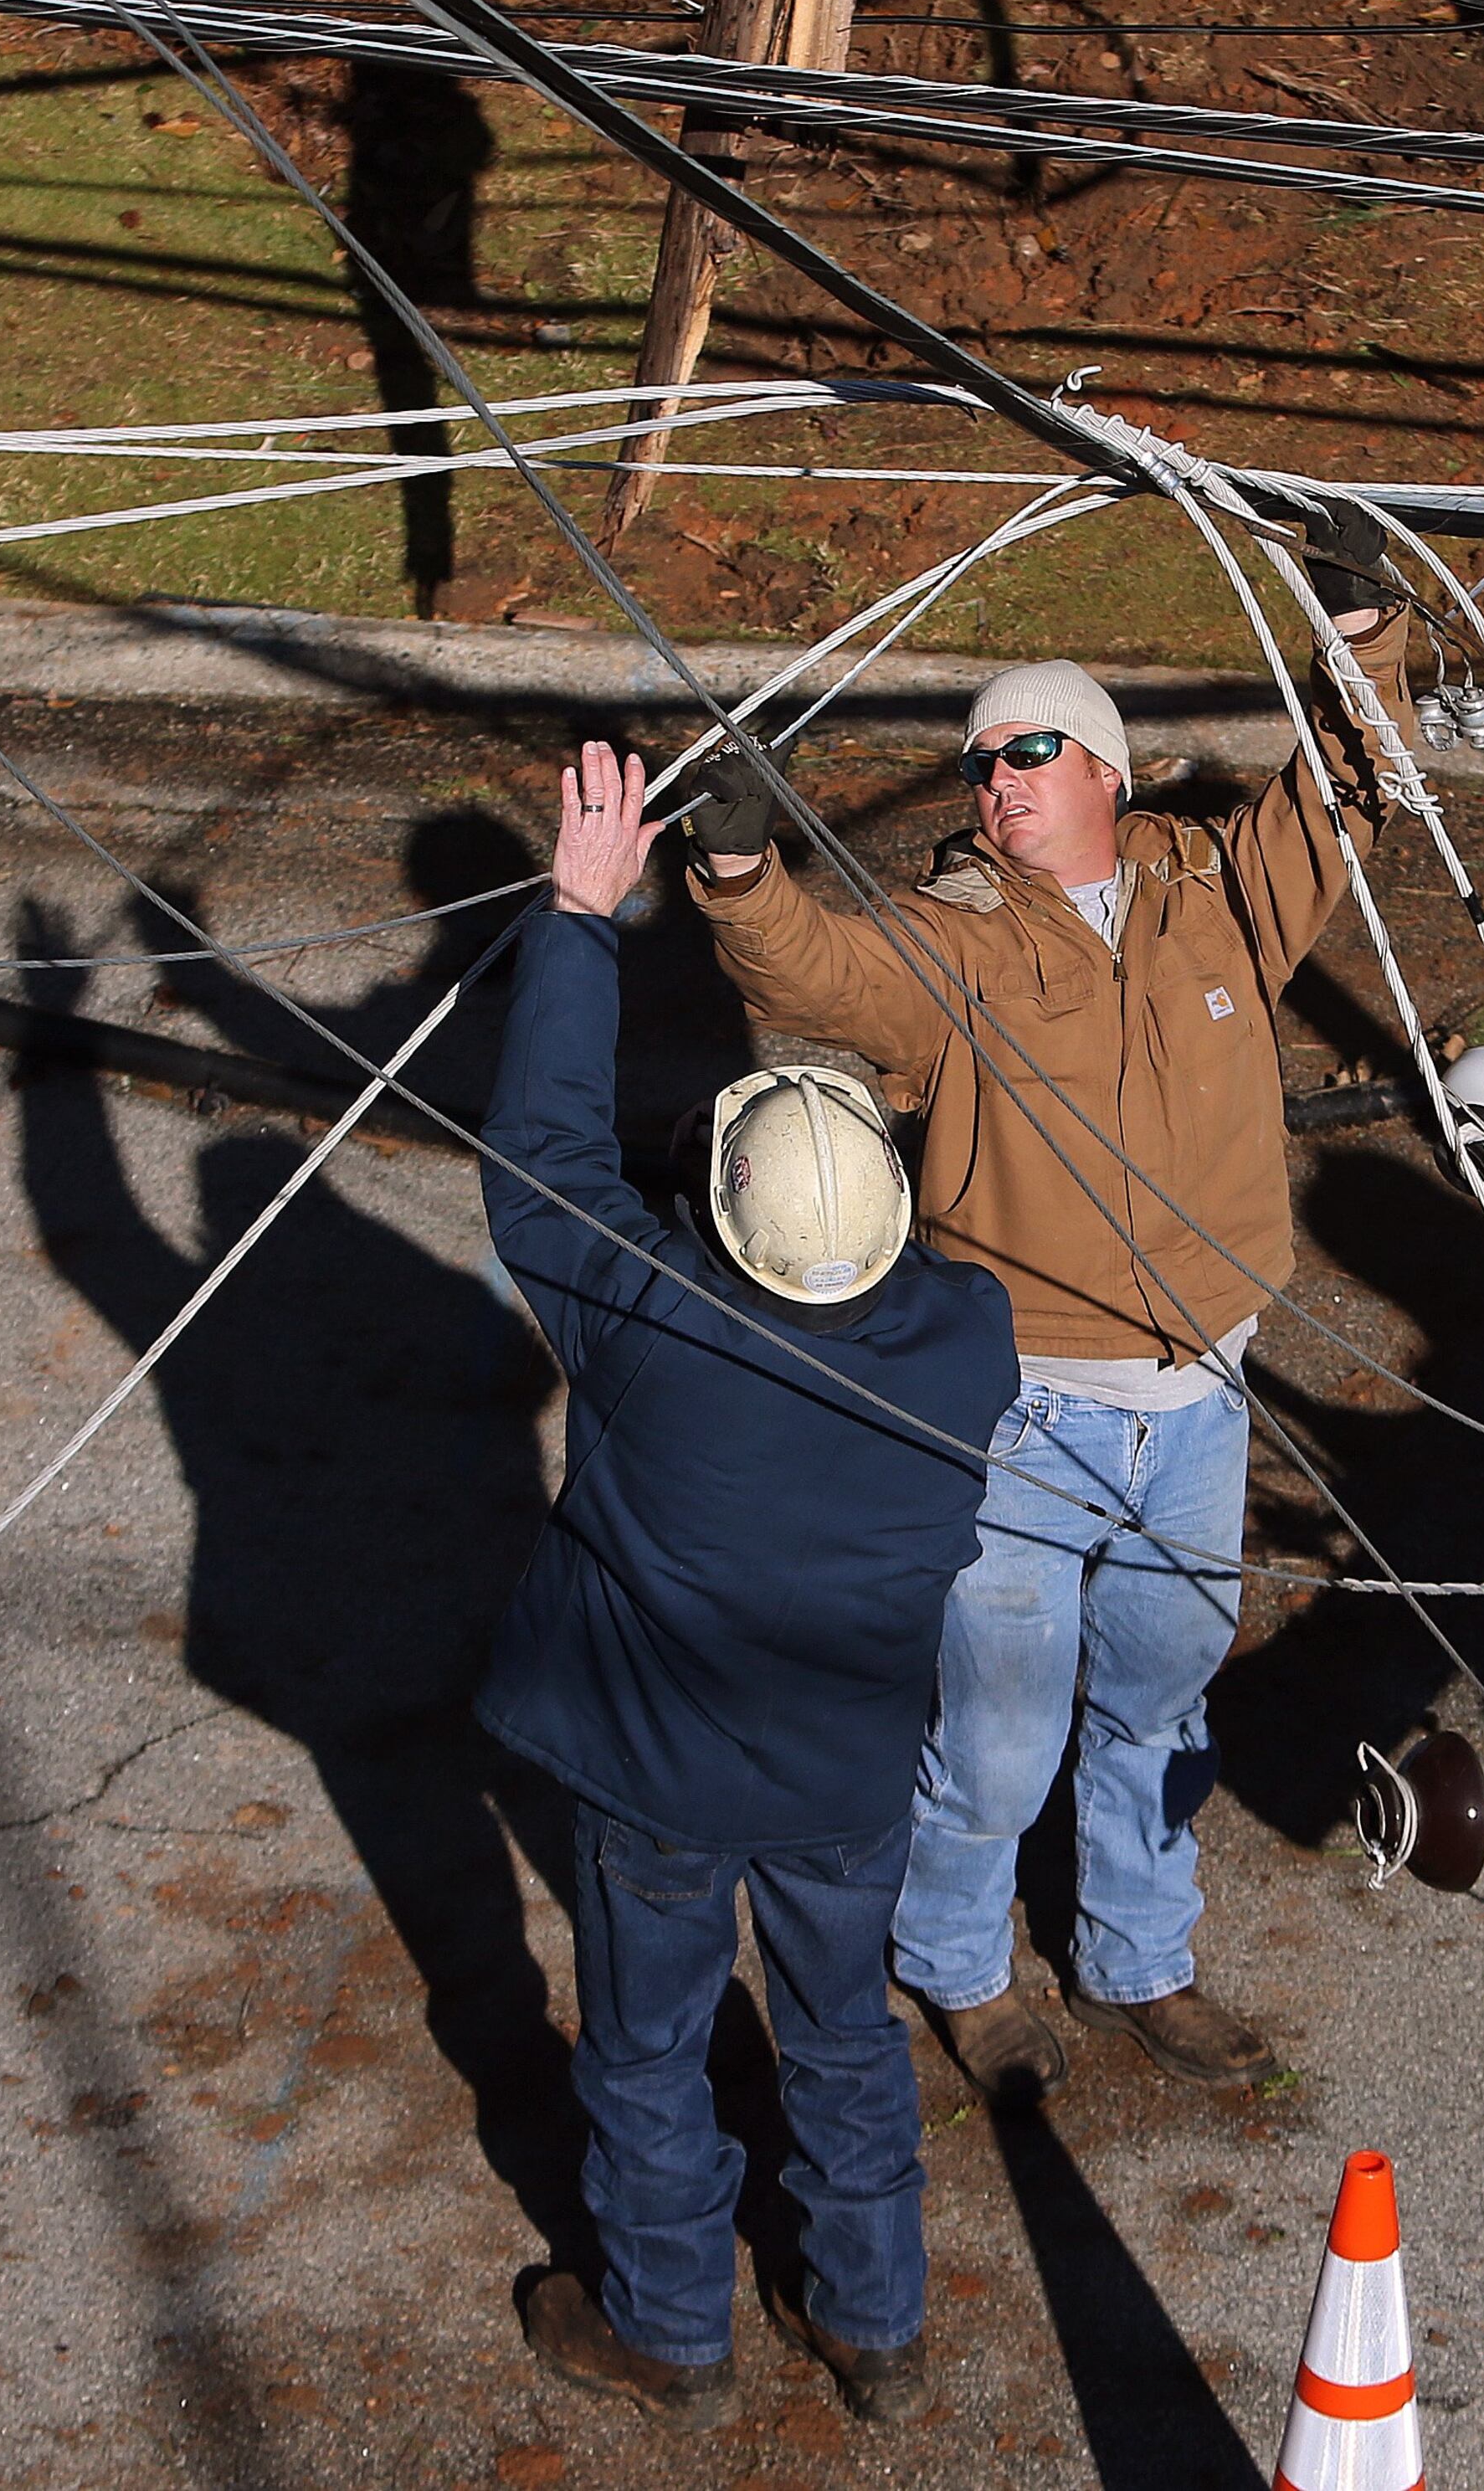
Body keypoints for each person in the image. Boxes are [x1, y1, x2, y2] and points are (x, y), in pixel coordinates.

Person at [682, 558, 1409, 2102]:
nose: (995, 780)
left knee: (1157, 1695)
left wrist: (1361, 630)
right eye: (979, 760)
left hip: (1202, 1401)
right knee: (999, 1738)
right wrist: (740, 871)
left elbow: (1350, 780)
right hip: (1024, 1412)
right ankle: (958, 1970)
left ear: (1104, 771)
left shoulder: (1217, 896)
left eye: (1026, 751)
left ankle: (1142, 1959)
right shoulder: (955, 947)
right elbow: (818, 970)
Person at [481, 740, 1019, 2432]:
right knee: (844, 2032)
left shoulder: (654, 1318)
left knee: (644, 2049)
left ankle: (667, 2321)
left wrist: (582, 914)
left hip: (656, 1777)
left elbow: (542, 1161)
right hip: (850, 1771)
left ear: (720, 1214)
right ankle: (875, 2318)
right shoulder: (962, 1339)